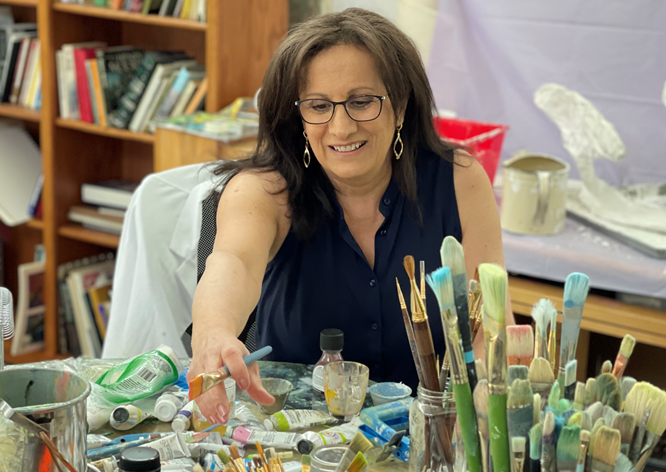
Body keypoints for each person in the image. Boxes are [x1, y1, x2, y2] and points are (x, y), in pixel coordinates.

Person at [189, 8, 509, 424]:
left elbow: (490, 322)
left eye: (362, 102)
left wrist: (483, 400)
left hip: (428, 437)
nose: (341, 128)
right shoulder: (264, 190)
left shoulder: (460, 181)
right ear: (299, 116)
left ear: (401, 107)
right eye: (319, 105)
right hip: (296, 439)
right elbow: (231, 263)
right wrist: (214, 333)